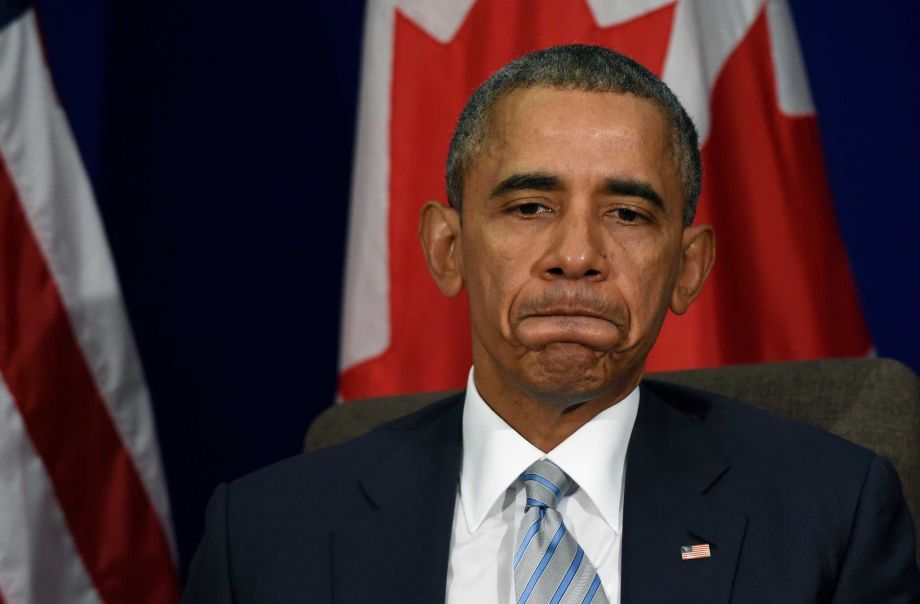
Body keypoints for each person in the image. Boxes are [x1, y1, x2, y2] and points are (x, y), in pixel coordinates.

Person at [183, 45, 920, 603]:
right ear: (447, 248)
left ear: (688, 269)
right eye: (529, 207)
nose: (576, 255)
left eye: (628, 214)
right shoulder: (264, 538)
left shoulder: (830, 515)